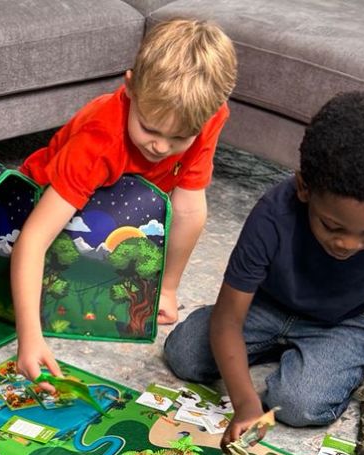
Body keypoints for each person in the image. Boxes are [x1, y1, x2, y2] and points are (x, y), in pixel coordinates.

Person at [12, 18, 237, 383]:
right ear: (130, 87)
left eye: (180, 138)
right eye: (149, 128)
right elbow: (34, 239)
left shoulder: (206, 119)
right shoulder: (99, 140)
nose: (160, 146)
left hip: (123, 201)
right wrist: (29, 337)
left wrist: (167, 288)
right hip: (49, 202)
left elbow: (189, 206)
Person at [164, 91, 364, 448]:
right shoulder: (273, 214)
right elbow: (228, 320)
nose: (348, 243)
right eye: (332, 226)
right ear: (304, 188)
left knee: (300, 404)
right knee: (185, 353)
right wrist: (245, 403)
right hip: (270, 304)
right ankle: (282, 348)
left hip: (350, 320)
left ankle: (315, 357)